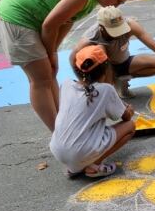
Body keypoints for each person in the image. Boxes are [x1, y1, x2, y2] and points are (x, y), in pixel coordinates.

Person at [0, 0, 144, 131]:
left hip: (35, 18)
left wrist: (53, 51)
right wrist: (50, 53)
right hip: (18, 18)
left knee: (49, 72)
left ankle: (63, 124)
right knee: (40, 79)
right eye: (118, 1)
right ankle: (60, 133)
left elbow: (66, 21)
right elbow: (49, 25)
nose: (116, 6)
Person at [50, 45, 136, 178]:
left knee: (86, 129)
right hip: (80, 151)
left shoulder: (66, 84)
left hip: (57, 150)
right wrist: (129, 110)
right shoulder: (106, 90)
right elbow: (126, 118)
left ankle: (74, 168)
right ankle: (94, 164)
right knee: (130, 127)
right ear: (105, 70)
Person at [70, 6, 155, 99]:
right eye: (114, 31)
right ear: (102, 28)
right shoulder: (90, 37)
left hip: (123, 62)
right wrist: (85, 83)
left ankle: (120, 79)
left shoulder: (130, 25)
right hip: (103, 69)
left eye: (120, 28)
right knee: (100, 49)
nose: (118, 34)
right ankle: (106, 91)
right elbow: (72, 58)